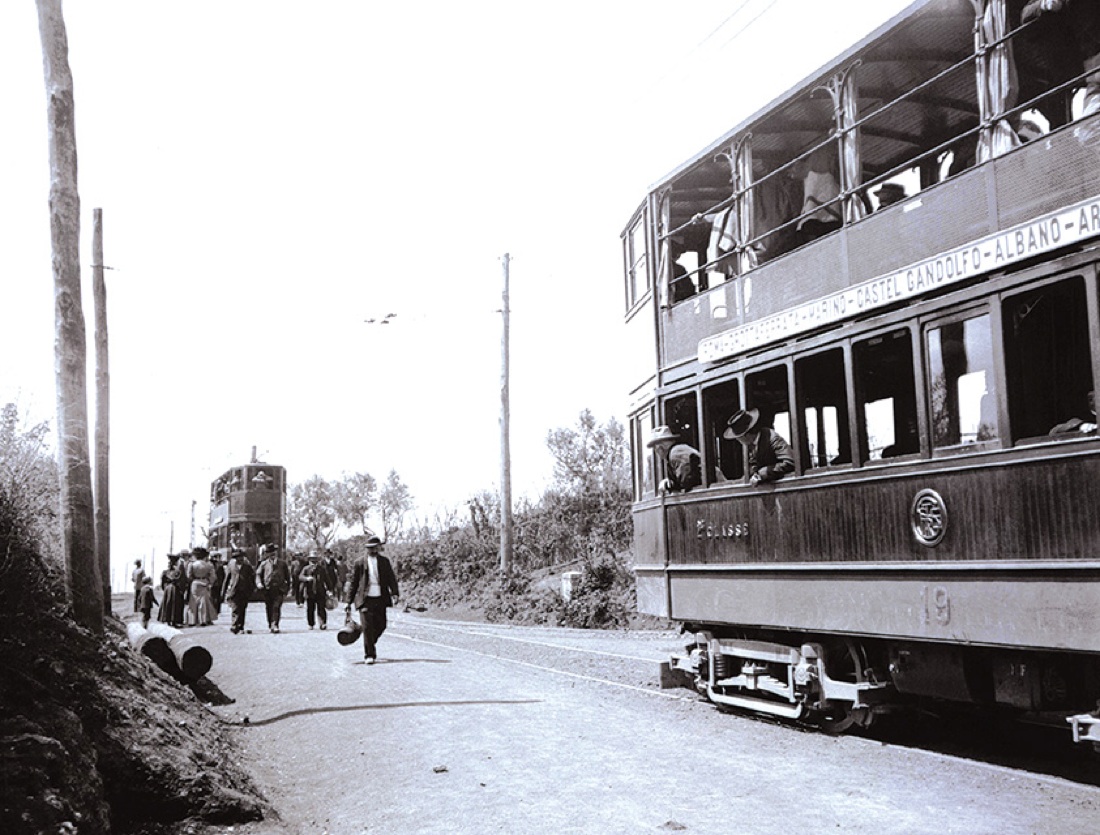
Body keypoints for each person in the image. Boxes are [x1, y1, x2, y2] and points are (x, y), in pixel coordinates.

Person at [345, 535, 400, 664]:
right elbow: (354, 583)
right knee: (368, 627)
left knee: (381, 625)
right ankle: (369, 654)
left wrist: (395, 593)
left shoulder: (384, 562)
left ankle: (369, 642)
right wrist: (348, 602)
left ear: (379, 548)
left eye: (376, 548)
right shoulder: (359, 563)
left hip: (380, 597)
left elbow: (391, 578)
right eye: (370, 548)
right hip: (365, 599)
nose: (373, 550)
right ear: (367, 549)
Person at [724, 408, 796, 486]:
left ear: (745, 436)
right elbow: (754, 464)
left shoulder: (772, 438)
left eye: (738, 438)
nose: (738, 441)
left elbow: (790, 462)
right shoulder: (751, 444)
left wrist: (765, 472)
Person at [646, 425, 702, 493]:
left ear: (660, 447)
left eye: (655, 448)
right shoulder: (676, 451)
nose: (656, 452)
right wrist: (669, 482)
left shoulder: (675, 453)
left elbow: (686, 481)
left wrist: (670, 485)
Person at [256, 543, 290, 633]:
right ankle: (270, 623)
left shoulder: (282, 564)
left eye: (273, 552)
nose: (272, 554)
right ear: (267, 554)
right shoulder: (263, 564)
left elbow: (288, 577)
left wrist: (287, 588)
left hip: (279, 589)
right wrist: (259, 583)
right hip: (268, 589)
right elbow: (258, 574)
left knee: (276, 607)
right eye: (270, 552)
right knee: (269, 607)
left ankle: (275, 624)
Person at [222, 549, 255, 634]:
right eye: (238, 557)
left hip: (244, 590)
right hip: (234, 590)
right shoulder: (231, 565)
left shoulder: (247, 566)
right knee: (235, 608)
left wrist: (252, 589)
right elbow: (227, 578)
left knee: (242, 609)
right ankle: (234, 625)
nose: (240, 559)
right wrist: (223, 591)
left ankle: (240, 627)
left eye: (241, 557)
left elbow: (252, 578)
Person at [299, 550, 331, 630]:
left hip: (320, 591)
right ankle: (311, 624)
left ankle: (323, 623)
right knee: (310, 609)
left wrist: (330, 590)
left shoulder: (321, 569)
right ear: (309, 560)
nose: (313, 561)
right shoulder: (306, 568)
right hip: (310, 592)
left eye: (315, 559)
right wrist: (306, 578)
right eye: (312, 559)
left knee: (321, 608)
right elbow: (300, 577)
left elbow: (327, 580)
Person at [186, 547, 216, 627]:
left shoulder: (191, 564)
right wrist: (209, 582)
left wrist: (193, 579)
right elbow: (213, 576)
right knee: (203, 602)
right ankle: (203, 620)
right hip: (204, 582)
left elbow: (189, 576)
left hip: (195, 583)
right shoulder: (209, 564)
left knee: (193, 602)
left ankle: (192, 621)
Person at [157, 554, 186, 628]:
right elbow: (182, 581)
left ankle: (167, 620)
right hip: (175, 589)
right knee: (175, 604)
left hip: (168, 588)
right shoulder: (178, 572)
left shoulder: (165, 572)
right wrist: (182, 591)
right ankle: (174, 621)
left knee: (168, 603)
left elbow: (162, 583)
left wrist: (165, 588)